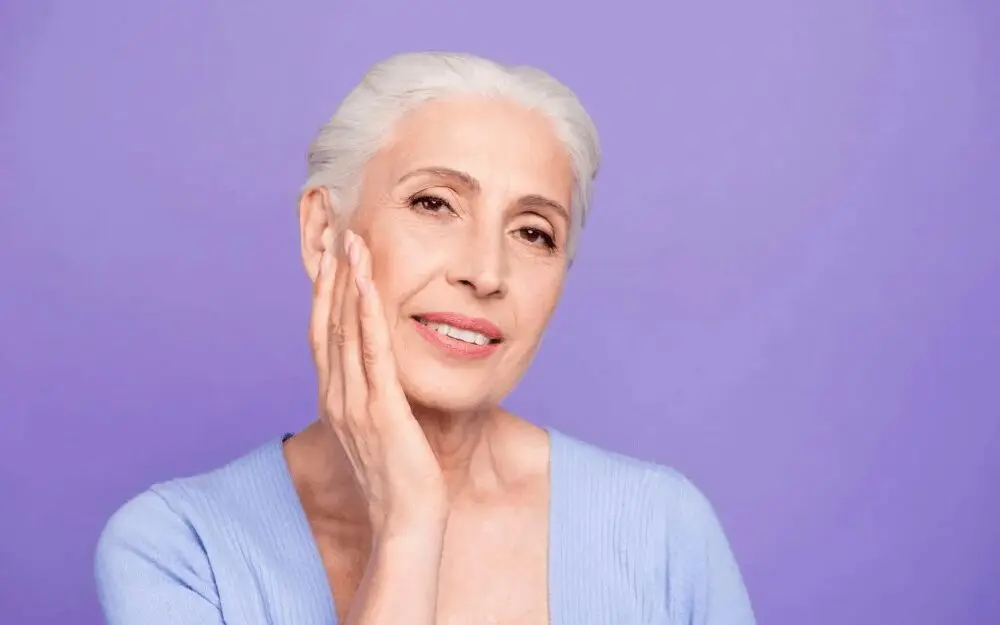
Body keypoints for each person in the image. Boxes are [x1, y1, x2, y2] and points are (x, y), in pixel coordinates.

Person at [93, 51, 756, 625]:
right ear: (324, 231)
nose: (486, 272)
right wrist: (410, 526)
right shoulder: (181, 549)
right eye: (434, 203)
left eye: (533, 232)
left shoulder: (659, 530)